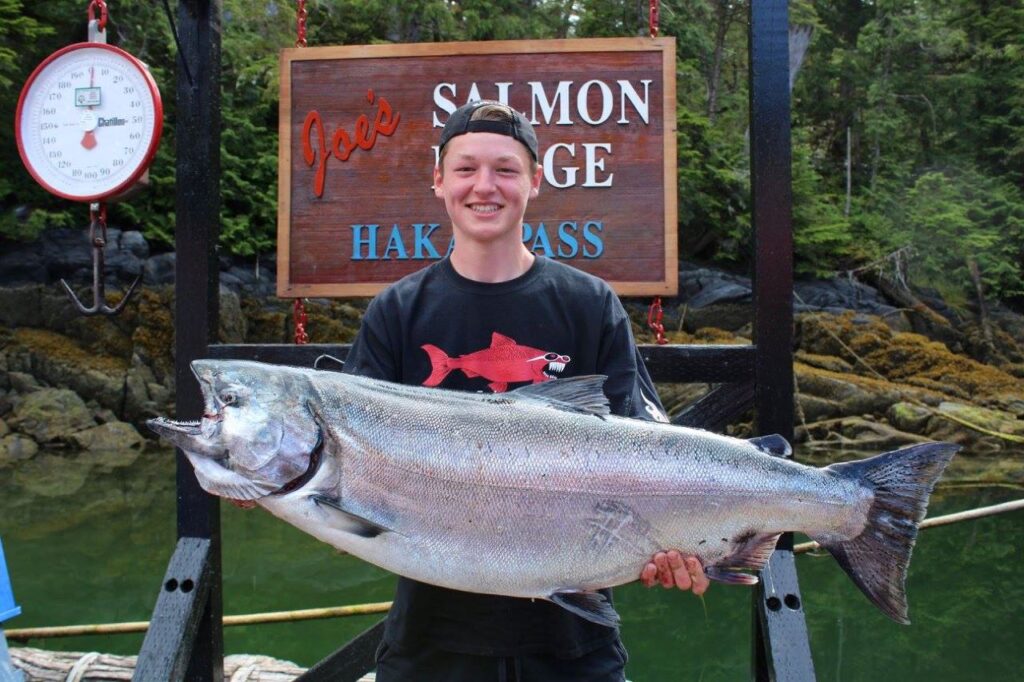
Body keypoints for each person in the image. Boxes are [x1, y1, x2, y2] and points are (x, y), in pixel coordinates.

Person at [340, 99, 709, 682]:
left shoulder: (590, 305)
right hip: (429, 647)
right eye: (465, 169)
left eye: (505, 170)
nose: (484, 186)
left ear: (535, 182)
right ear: (438, 181)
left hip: (575, 645)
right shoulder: (396, 312)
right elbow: (346, 465)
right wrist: (265, 474)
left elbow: (648, 453)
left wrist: (683, 541)